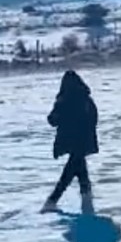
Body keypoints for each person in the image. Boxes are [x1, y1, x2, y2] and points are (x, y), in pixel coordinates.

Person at [42, 70, 99, 213]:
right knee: (79, 168)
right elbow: (94, 117)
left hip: (71, 140)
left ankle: (53, 200)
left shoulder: (65, 100)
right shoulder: (86, 99)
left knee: (69, 171)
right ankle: (86, 196)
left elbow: (53, 120)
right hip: (83, 140)